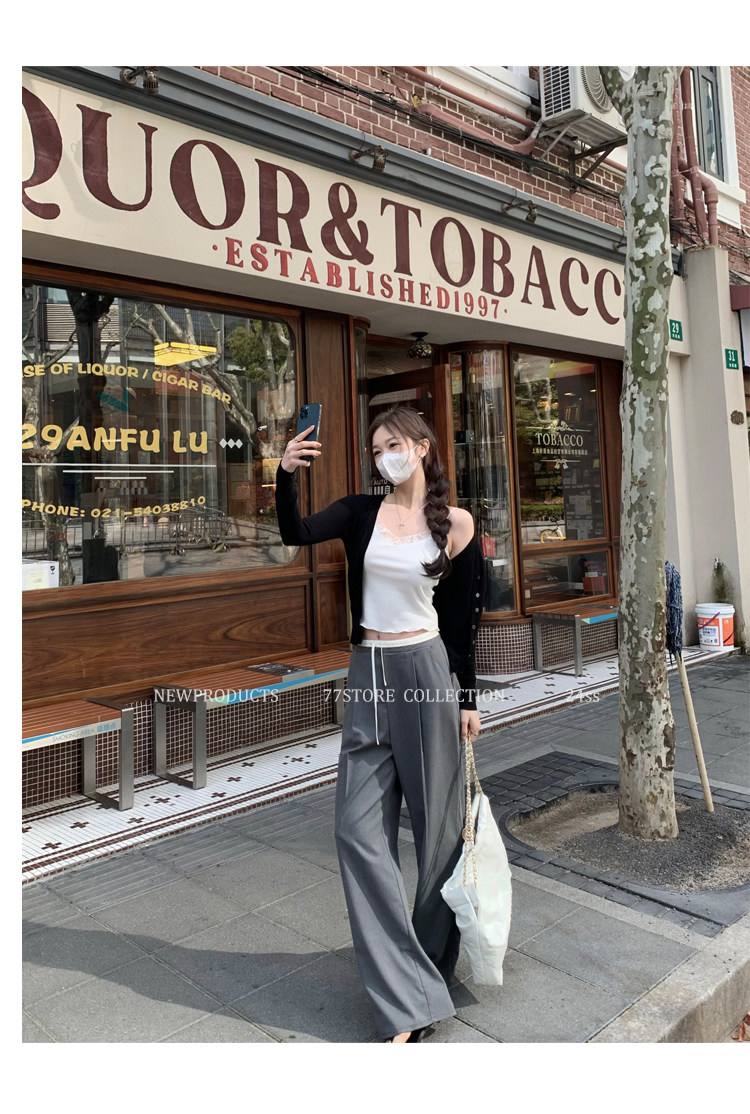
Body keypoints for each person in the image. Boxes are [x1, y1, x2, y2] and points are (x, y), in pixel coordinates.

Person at [275, 405, 485, 1043]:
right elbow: (294, 532)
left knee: (438, 832)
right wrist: (284, 473)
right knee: (356, 829)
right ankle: (406, 987)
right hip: (368, 669)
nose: (383, 456)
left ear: (421, 447)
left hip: (427, 672)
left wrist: (468, 698)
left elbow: (462, 621)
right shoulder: (357, 512)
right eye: (375, 449)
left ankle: (430, 968)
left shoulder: (456, 524)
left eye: (393, 444)